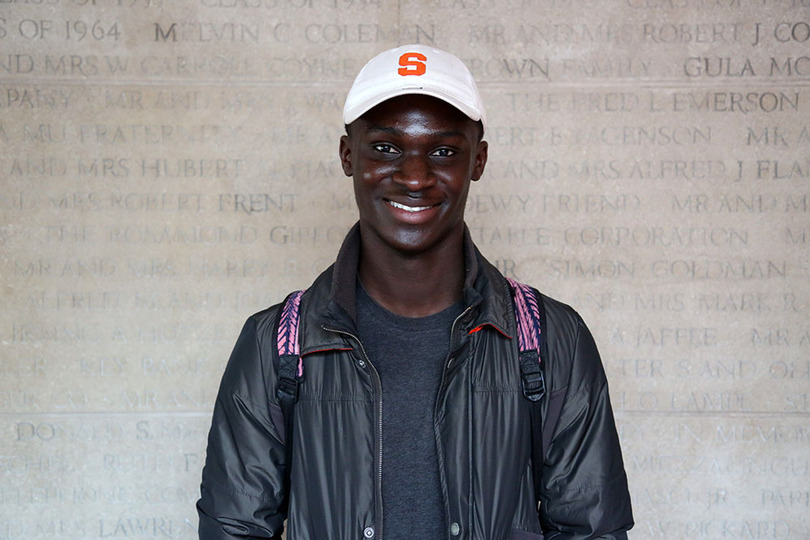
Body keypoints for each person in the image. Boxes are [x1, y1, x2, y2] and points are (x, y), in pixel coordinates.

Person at [197, 44, 634, 539]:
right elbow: (233, 530)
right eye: (385, 147)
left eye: (443, 151)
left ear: (479, 160)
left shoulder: (553, 340)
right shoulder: (274, 345)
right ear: (347, 155)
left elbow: (592, 531)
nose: (414, 177)